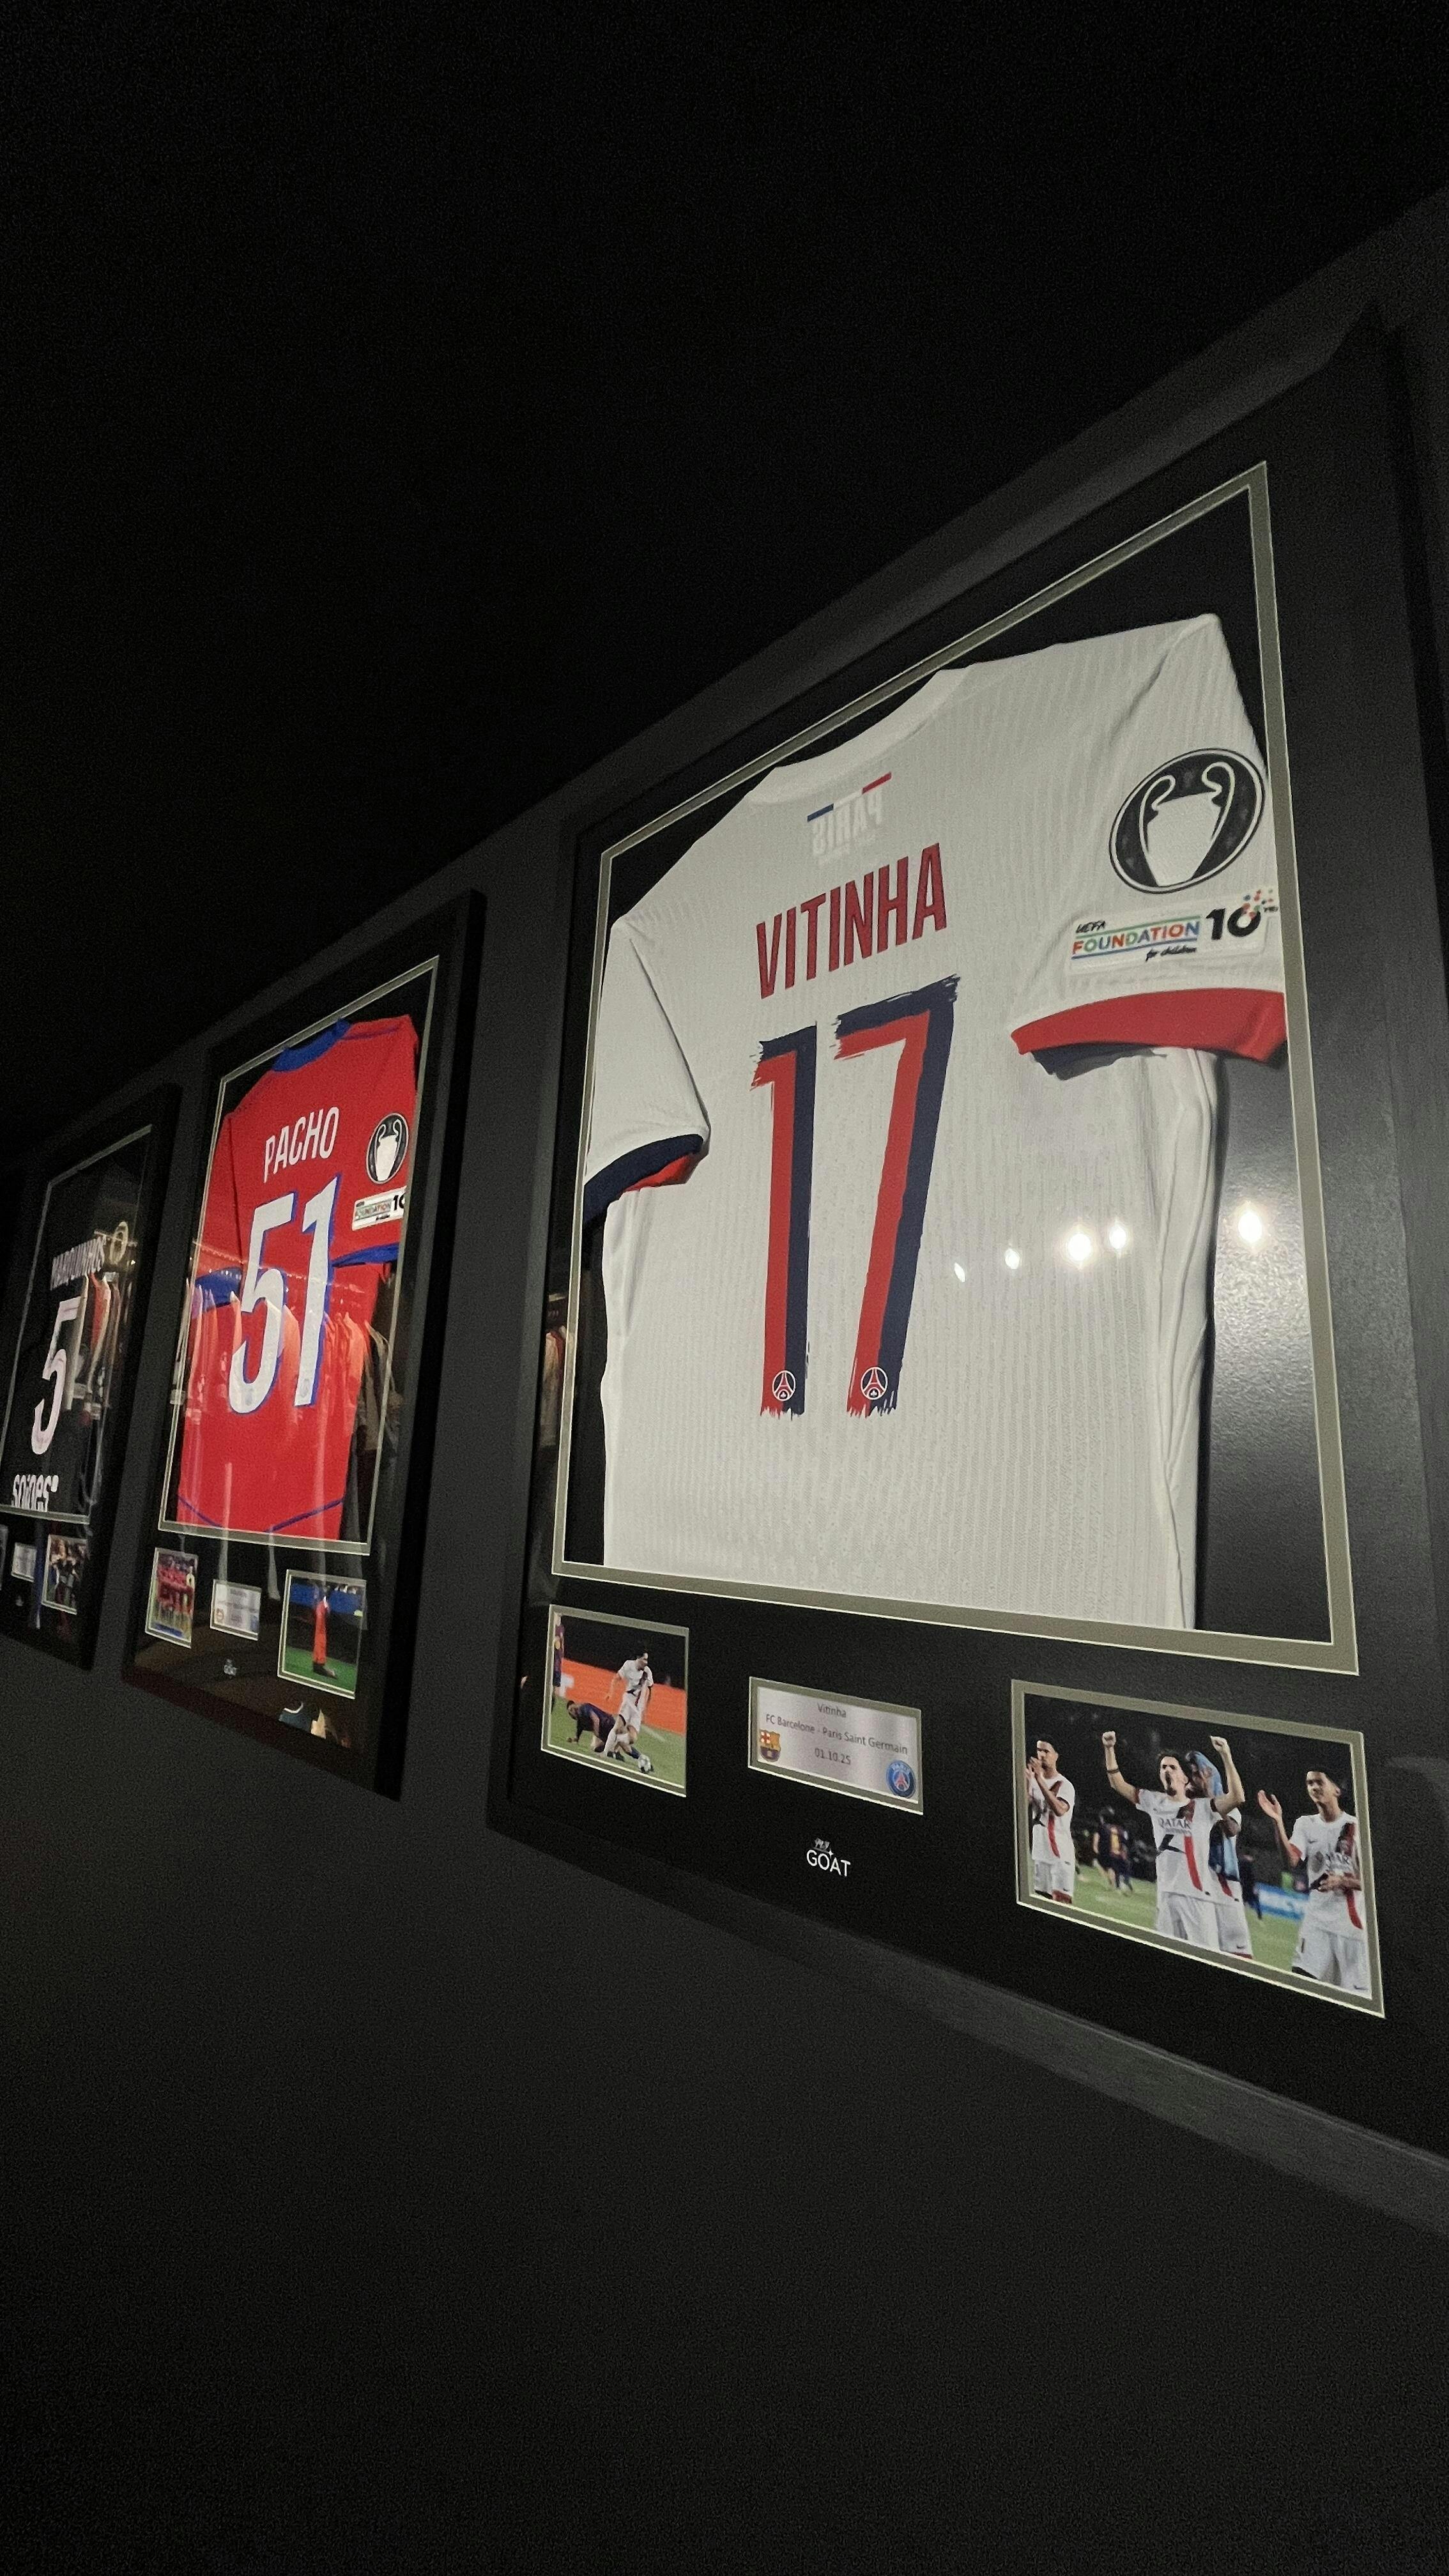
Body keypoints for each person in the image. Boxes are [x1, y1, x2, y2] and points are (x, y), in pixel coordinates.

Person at [1101, 1729, 1246, 1951]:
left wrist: (1226, 1755)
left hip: (1198, 1897)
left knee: (1206, 1957)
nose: (1166, 1770)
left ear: (1185, 1778)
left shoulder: (1203, 1808)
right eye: (1163, 1767)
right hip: (1166, 1895)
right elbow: (1117, 1784)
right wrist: (1109, 1748)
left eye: (1172, 1767)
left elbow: (1237, 1797)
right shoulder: (1153, 1801)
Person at [1258, 1767, 1370, 1995]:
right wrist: (1277, 1821)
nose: (1314, 1787)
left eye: (1319, 1782)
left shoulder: (1357, 1828)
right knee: (1300, 1985)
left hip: (1352, 1931)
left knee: (1350, 1998)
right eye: (1310, 1783)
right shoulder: (1305, 1824)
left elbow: (1373, 1882)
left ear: (1337, 1790)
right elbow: (1290, 1861)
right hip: (1316, 1924)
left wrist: (1343, 1881)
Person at [1186, 1749, 1254, 1959]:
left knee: (1238, 1955)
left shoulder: (1229, 1807)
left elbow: (1231, 1830)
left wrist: (1210, 1798)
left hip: (1224, 1885)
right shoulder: (1187, 1808)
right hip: (1196, 1884)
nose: (1191, 1780)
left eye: (1196, 1774)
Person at [1025, 1737, 1076, 1903]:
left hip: (1060, 1856)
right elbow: (1023, 1807)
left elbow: (1060, 1810)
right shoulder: (1033, 1780)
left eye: (1046, 1751)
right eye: (1039, 1750)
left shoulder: (1065, 1785)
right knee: (1041, 1905)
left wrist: (1039, 1780)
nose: (1041, 1755)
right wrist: (1028, 1783)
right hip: (1040, 1853)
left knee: (1060, 1907)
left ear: (1056, 1756)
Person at [602, 1650, 652, 1761]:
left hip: (638, 1709)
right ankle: (605, 1752)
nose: (646, 1662)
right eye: (644, 1659)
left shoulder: (648, 1672)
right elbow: (616, 1678)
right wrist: (610, 1693)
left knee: (632, 1738)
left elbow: (649, 1690)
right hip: (628, 1702)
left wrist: (645, 1710)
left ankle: (617, 1741)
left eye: (647, 1660)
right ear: (638, 1658)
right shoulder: (629, 1665)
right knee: (618, 1728)